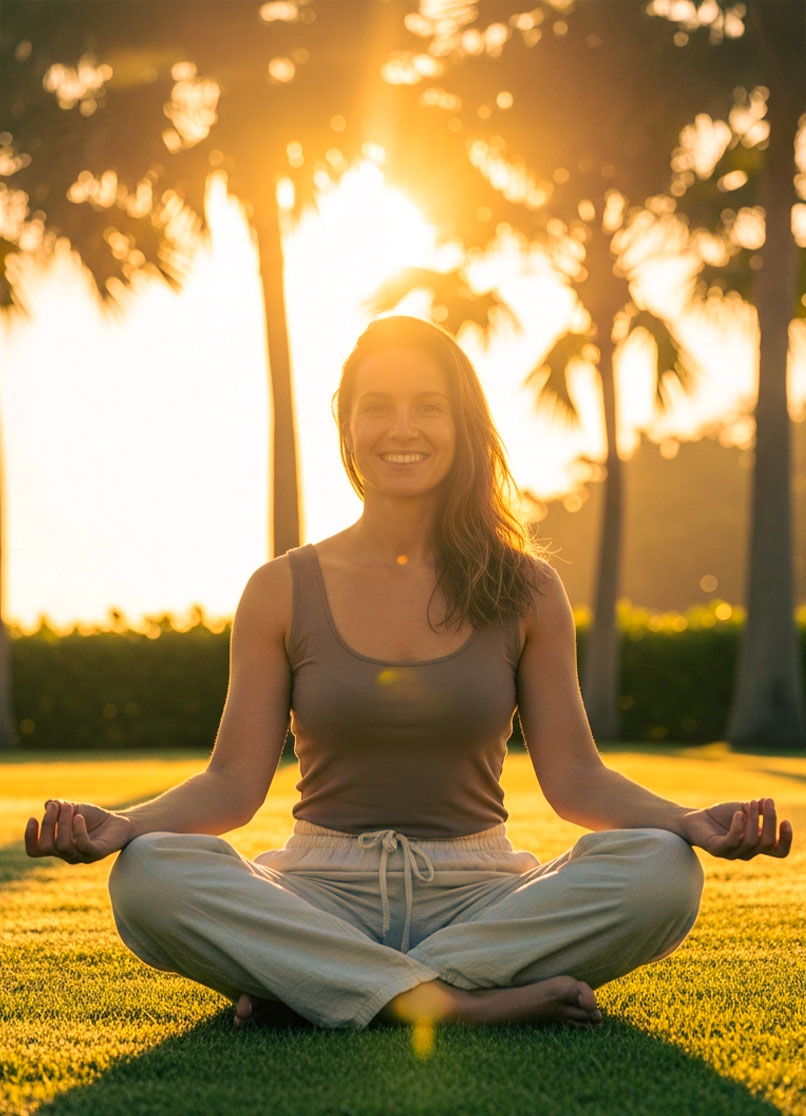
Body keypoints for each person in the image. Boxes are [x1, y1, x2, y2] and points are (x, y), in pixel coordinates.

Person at [25, 315, 792, 1032]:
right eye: (377, 407)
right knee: (150, 876)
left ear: (463, 426)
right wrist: (127, 828)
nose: (401, 429)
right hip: (319, 890)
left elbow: (576, 780)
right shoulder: (281, 588)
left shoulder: (525, 588)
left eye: (428, 407)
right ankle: (446, 1001)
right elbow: (231, 784)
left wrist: (685, 823)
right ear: (347, 425)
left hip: (483, 894)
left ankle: (326, 986)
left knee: (662, 870)